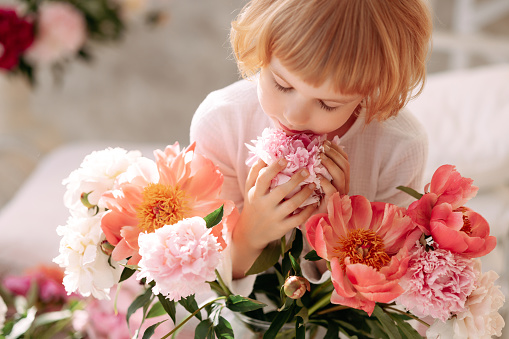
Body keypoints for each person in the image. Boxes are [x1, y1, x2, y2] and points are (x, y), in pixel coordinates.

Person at [189, 0, 432, 293]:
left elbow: (382, 294)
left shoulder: (399, 147)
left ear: (373, 90)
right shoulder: (222, 121)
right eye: (281, 85)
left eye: (328, 104)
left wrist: (337, 234)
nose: (294, 116)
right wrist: (251, 232)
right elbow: (203, 282)